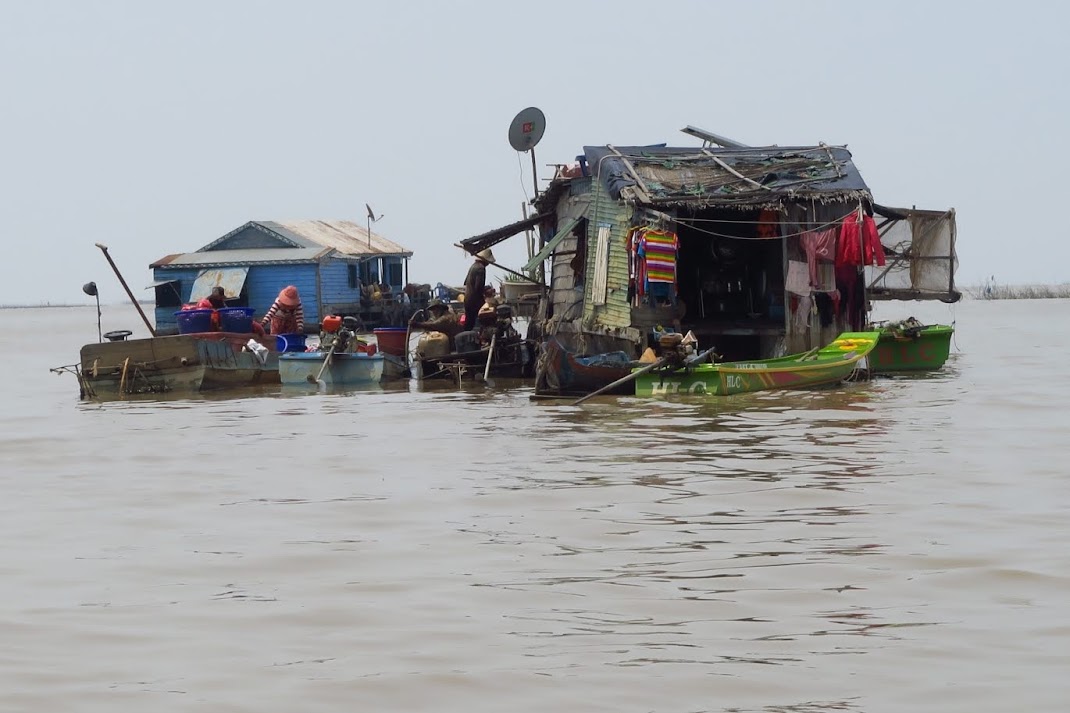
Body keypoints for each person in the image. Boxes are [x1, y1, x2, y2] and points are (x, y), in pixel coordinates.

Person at [464, 248, 494, 330]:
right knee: (486, 318)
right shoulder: (481, 268)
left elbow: (466, 282)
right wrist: (488, 291)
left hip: (468, 299)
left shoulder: (473, 266)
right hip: (474, 301)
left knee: (469, 322)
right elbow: (478, 288)